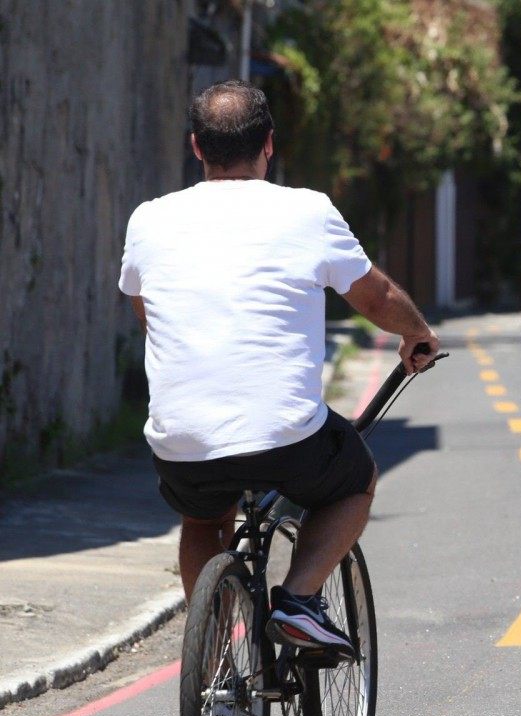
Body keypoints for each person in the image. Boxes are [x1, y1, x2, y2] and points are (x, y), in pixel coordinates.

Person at [119, 80, 439, 653]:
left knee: (202, 520)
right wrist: (416, 333)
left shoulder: (147, 219)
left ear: (196, 148)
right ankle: (296, 599)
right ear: (270, 143)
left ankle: (211, 658)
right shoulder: (307, 210)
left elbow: (151, 317)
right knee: (356, 479)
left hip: (183, 442)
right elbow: (374, 298)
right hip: (286, 438)